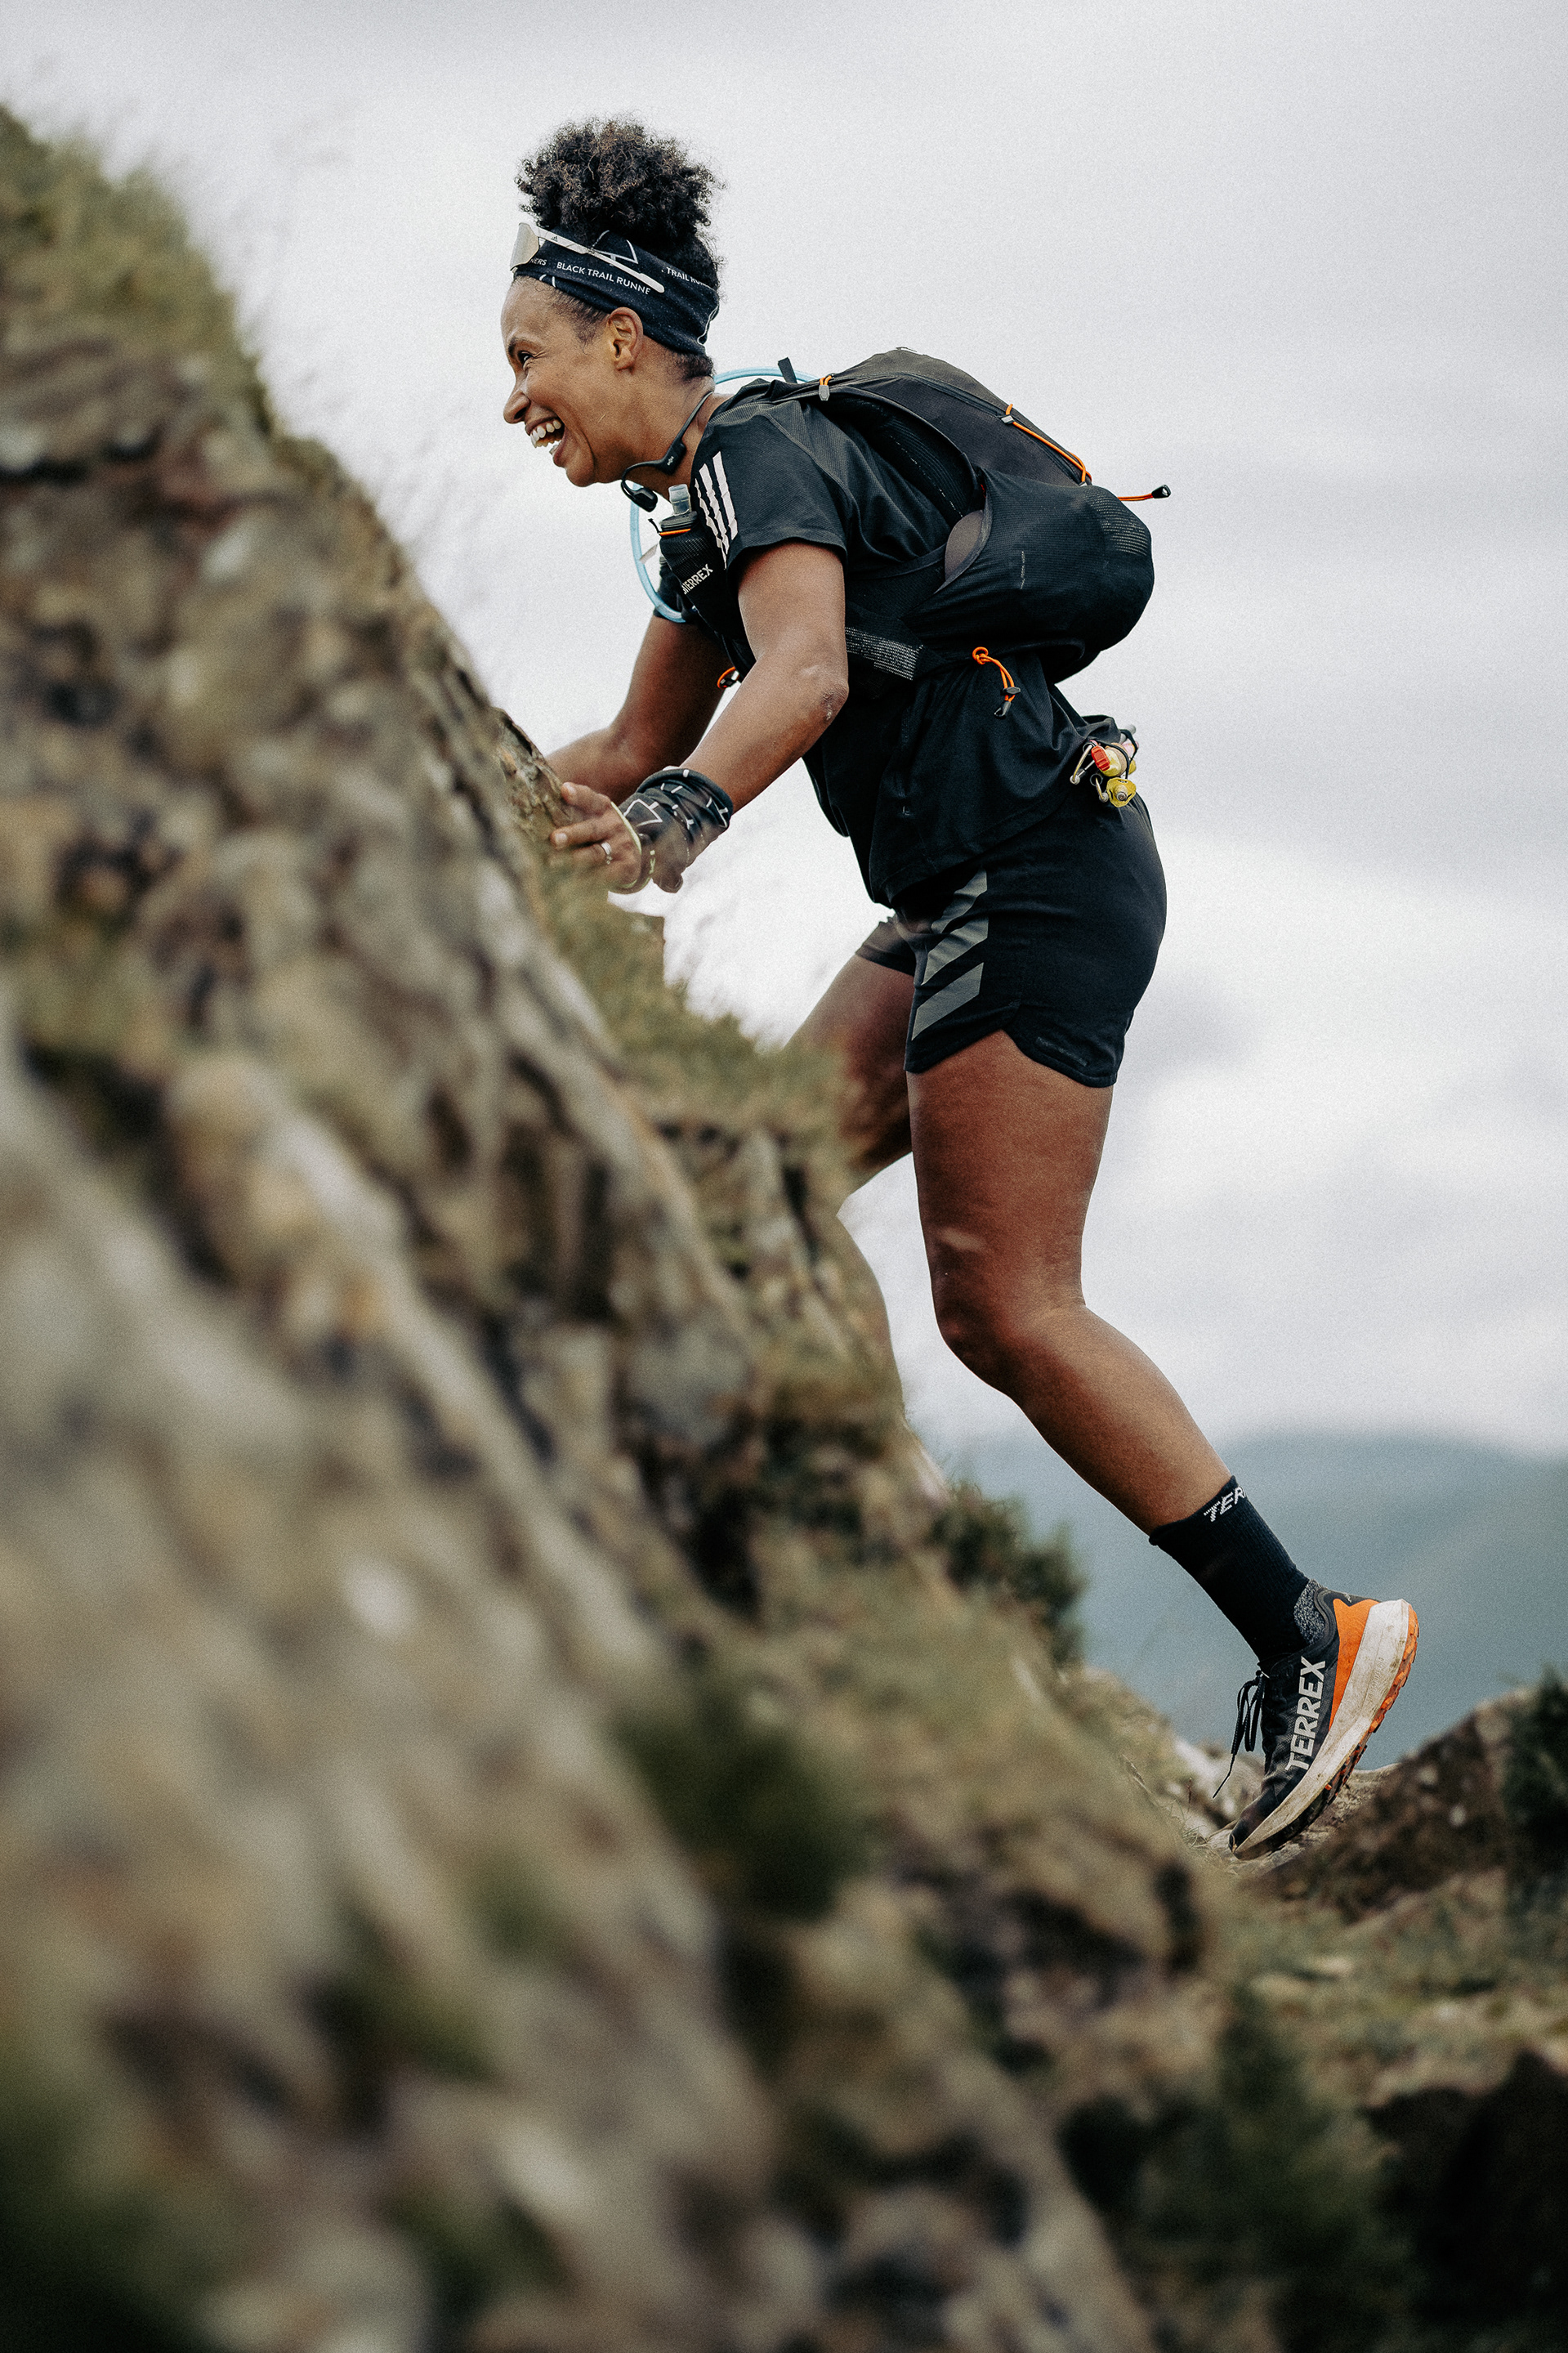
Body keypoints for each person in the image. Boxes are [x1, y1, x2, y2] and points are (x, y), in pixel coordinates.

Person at [499, 116, 1418, 1856]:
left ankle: (1313, 1635)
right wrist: (460, 800)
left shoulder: (758, 448)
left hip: (1041, 873)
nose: (513, 399)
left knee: (1004, 1297)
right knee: (753, 1174)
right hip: (964, 886)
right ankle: (885, 1499)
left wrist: (675, 827)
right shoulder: (704, 512)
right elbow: (625, 744)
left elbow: (806, 677)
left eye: (529, 358)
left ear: (623, 339)